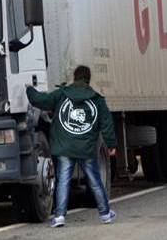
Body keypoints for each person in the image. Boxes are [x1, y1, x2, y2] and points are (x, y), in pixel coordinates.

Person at [26, 65, 117, 227]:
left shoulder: (62, 94)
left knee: (63, 180)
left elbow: (41, 101)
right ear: (88, 79)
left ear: (75, 78)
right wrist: (111, 145)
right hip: (86, 147)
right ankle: (105, 214)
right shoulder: (97, 99)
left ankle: (60, 216)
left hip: (64, 146)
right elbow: (107, 124)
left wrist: (29, 90)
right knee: (95, 180)